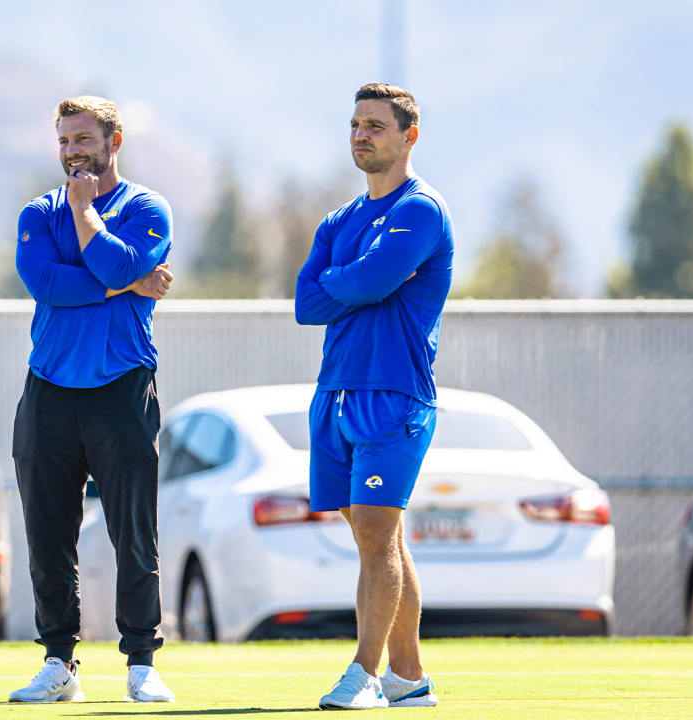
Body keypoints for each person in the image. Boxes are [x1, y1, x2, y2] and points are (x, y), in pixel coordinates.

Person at [8, 96, 177, 704]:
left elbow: (114, 257)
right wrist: (128, 283)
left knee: (134, 531)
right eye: (64, 141)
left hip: (122, 387)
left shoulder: (147, 207)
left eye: (82, 139)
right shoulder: (36, 212)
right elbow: (46, 283)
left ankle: (140, 663)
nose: (72, 151)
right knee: (48, 533)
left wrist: (87, 219)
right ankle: (59, 663)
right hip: (49, 388)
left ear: (113, 142)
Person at [294, 83, 453, 710]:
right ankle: (409, 678)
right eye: (356, 124)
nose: (362, 135)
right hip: (335, 393)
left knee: (377, 533)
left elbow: (370, 280)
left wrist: (350, 281)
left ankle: (363, 674)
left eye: (376, 126)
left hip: (395, 397)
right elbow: (309, 303)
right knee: (372, 536)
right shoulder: (340, 220)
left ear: (409, 136)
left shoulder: (421, 211)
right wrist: (352, 283)